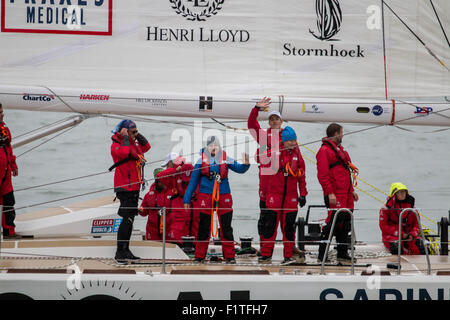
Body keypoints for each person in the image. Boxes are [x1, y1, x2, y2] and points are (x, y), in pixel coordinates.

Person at [183, 136, 250, 264]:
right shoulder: (200, 161)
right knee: (203, 227)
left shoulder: (226, 159)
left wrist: (246, 164)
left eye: (216, 145)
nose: (213, 148)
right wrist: (186, 199)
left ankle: (230, 256)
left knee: (226, 227)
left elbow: (240, 169)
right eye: (211, 145)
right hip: (205, 196)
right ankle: (199, 256)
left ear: (219, 147)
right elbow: (192, 182)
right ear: (207, 148)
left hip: (224, 195)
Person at [258, 126, 308, 265]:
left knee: (289, 229)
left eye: (294, 140)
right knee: (270, 227)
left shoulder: (298, 155)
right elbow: (260, 157)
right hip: (274, 196)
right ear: (284, 141)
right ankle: (266, 254)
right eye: (290, 140)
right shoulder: (274, 152)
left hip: (291, 197)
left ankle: (288, 256)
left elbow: (302, 176)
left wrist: (303, 194)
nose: (293, 143)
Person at [316, 123, 359, 264]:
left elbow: (346, 171)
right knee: (332, 223)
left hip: (345, 193)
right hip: (335, 194)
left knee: (345, 223)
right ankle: (322, 254)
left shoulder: (340, 150)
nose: (343, 135)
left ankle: (342, 252)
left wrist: (351, 191)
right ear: (335, 134)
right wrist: (330, 193)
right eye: (341, 133)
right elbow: (323, 175)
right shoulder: (324, 151)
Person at [110, 119, 150, 262]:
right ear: (124, 132)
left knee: (130, 219)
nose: (134, 135)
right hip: (125, 187)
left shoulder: (133, 143)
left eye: (135, 131)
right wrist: (126, 137)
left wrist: (136, 134)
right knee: (126, 220)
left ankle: (126, 250)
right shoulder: (116, 145)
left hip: (134, 186)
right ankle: (119, 252)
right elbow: (125, 153)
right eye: (132, 132)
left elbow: (147, 146)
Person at [247, 97, 284, 247]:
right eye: (272, 119)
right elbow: (251, 125)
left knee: (286, 220)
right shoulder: (263, 137)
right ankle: (264, 247)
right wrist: (256, 108)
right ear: (269, 122)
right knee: (265, 218)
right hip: (265, 187)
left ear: (281, 122)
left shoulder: (287, 137)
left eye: (277, 119)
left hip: (282, 187)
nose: (274, 121)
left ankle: (290, 247)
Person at [157, 153, 196, 246]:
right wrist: (175, 170)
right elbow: (160, 175)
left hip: (191, 208)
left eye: (167, 165)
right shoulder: (173, 176)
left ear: (171, 162)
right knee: (177, 232)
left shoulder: (192, 171)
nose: (166, 167)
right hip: (178, 209)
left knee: (195, 229)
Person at [379, 182, 425, 255]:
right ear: (395, 194)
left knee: (422, 247)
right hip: (392, 236)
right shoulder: (385, 209)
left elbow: (417, 224)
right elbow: (383, 227)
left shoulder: (412, 208)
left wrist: (412, 234)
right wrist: (400, 234)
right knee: (396, 248)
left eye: (404, 192)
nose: (403, 194)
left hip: (409, 237)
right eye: (400, 192)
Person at [0, 103, 19, 239]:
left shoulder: (4, 128)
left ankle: (9, 232)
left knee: (9, 201)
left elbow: (8, 148)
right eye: (0, 113)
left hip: (6, 175)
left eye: (2, 112)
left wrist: (13, 164)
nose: (2, 115)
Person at [139, 168, 168, 241]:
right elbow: (144, 212)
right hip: (152, 228)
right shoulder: (148, 195)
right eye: (159, 179)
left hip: (167, 227)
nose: (162, 181)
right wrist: (140, 210)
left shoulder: (170, 192)